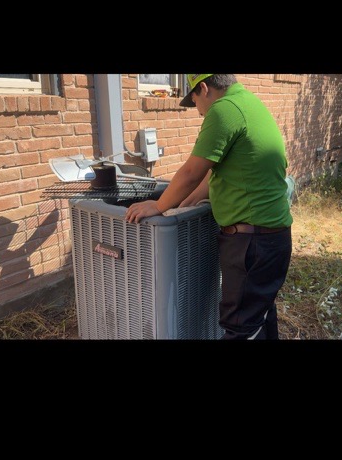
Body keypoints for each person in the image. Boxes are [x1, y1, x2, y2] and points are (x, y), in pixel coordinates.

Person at [125, 74, 293, 340]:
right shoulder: (249, 103)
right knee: (259, 319)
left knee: (240, 328)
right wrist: (182, 203)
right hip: (271, 239)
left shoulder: (224, 110)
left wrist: (158, 206)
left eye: (194, 102)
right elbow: (215, 174)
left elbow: (192, 171)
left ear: (203, 88)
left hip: (252, 243)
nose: (199, 113)